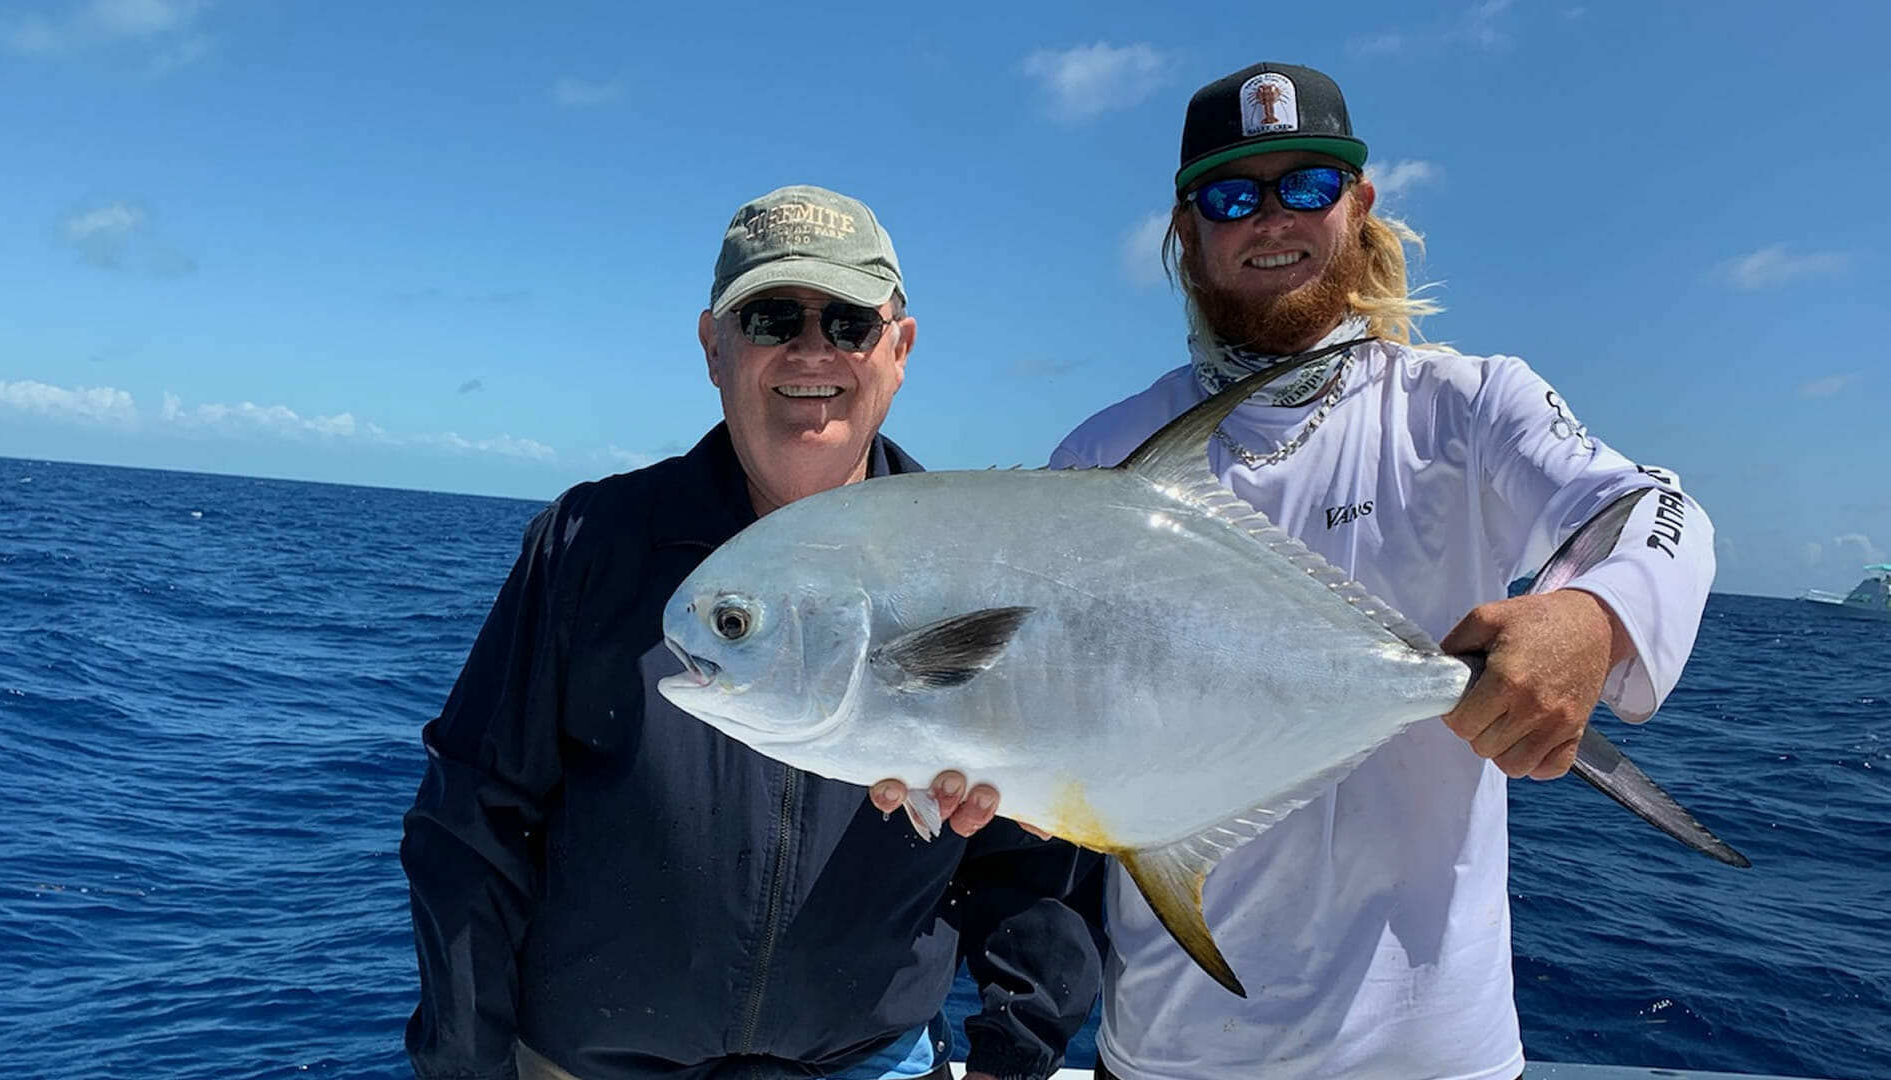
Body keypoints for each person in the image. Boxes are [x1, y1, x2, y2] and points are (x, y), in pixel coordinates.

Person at [874, 61, 1718, 1080]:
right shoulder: (1103, 456)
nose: (1271, 219)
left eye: (1307, 186)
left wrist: (1596, 618)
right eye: (1234, 195)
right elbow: (1059, 722)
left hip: (1434, 1055)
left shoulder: (1467, 406)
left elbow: (1657, 510)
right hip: (1170, 1051)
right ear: (1187, 231)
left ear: (1359, 208)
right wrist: (961, 763)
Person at [400, 183, 1102, 1080]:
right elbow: (471, 824)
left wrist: (1015, 1053)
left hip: (869, 1065)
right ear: (713, 346)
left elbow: (1043, 856)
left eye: (849, 322)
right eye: (772, 316)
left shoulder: (982, 573)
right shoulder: (589, 545)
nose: (813, 350)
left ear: (900, 348)